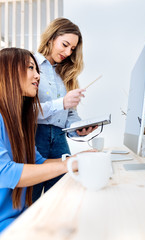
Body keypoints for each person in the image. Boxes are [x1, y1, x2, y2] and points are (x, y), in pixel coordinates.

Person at [0, 47, 91, 233]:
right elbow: (5, 173)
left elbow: (38, 162)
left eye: (37, 70)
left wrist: (82, 158)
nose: (37, 76)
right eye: (30, 68)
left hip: (24, 216)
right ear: (8, 71)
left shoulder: (20, 123)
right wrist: (72, 163)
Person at [32, 18, 97, 202]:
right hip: (36, 137)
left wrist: (78, 129)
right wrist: (62, 102)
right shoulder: (31, 65)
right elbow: (25, 111)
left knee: (64, 196)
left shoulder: (66, 74)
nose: (68, 52)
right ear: (52, 37)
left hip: (60, 139)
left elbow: (70, 115)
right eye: (65, 45)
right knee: (31, 200)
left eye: (72, 49)